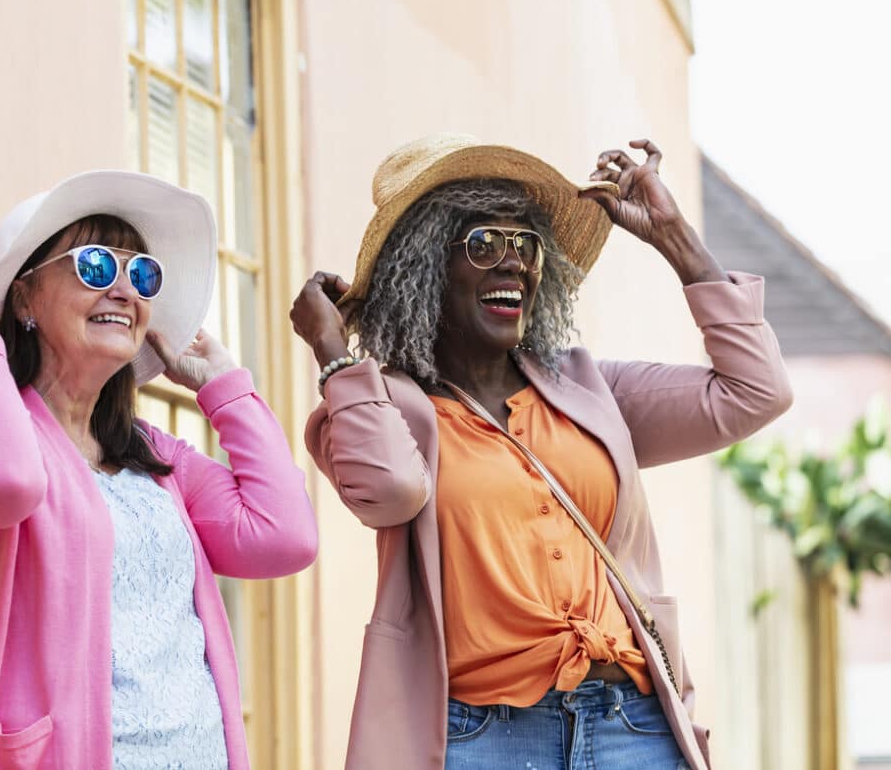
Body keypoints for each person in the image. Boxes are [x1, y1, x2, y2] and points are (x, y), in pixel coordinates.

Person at [290, 134, 791, 770]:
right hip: (483, 741)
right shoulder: (375, 408)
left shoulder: (591, 390)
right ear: (423, 267)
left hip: (630, 728)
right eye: (484, 244)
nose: (513, 264)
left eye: (526, 246)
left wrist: (673, 235)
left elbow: (757, 392)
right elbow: (390, 490)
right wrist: (334, 353)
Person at [0, 170, 318, 770]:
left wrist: (226, 389)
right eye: (96, 266)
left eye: (142, 274)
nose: (124, 290)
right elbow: (6, 486)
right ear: (24, 298)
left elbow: (285, 537)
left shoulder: (154, 456)